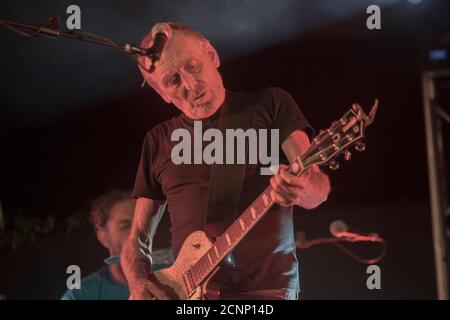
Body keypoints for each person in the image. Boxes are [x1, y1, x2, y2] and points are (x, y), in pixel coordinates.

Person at [121, 22, 331, 300]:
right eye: (173, 81)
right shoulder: (158, 140)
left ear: (212, 55)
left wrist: (301, 189)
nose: (190, 84)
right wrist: (138, 286)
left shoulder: (269, 105)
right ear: (162, 93)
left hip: (264, 293)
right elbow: (137, 239)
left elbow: (317, 187)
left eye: (193, 66)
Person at [61, 190, 134, 300]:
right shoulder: (80, 296)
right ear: (103, 237)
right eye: (125, 226)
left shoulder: (167, 279)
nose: (137, 233)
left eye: (143, 224)